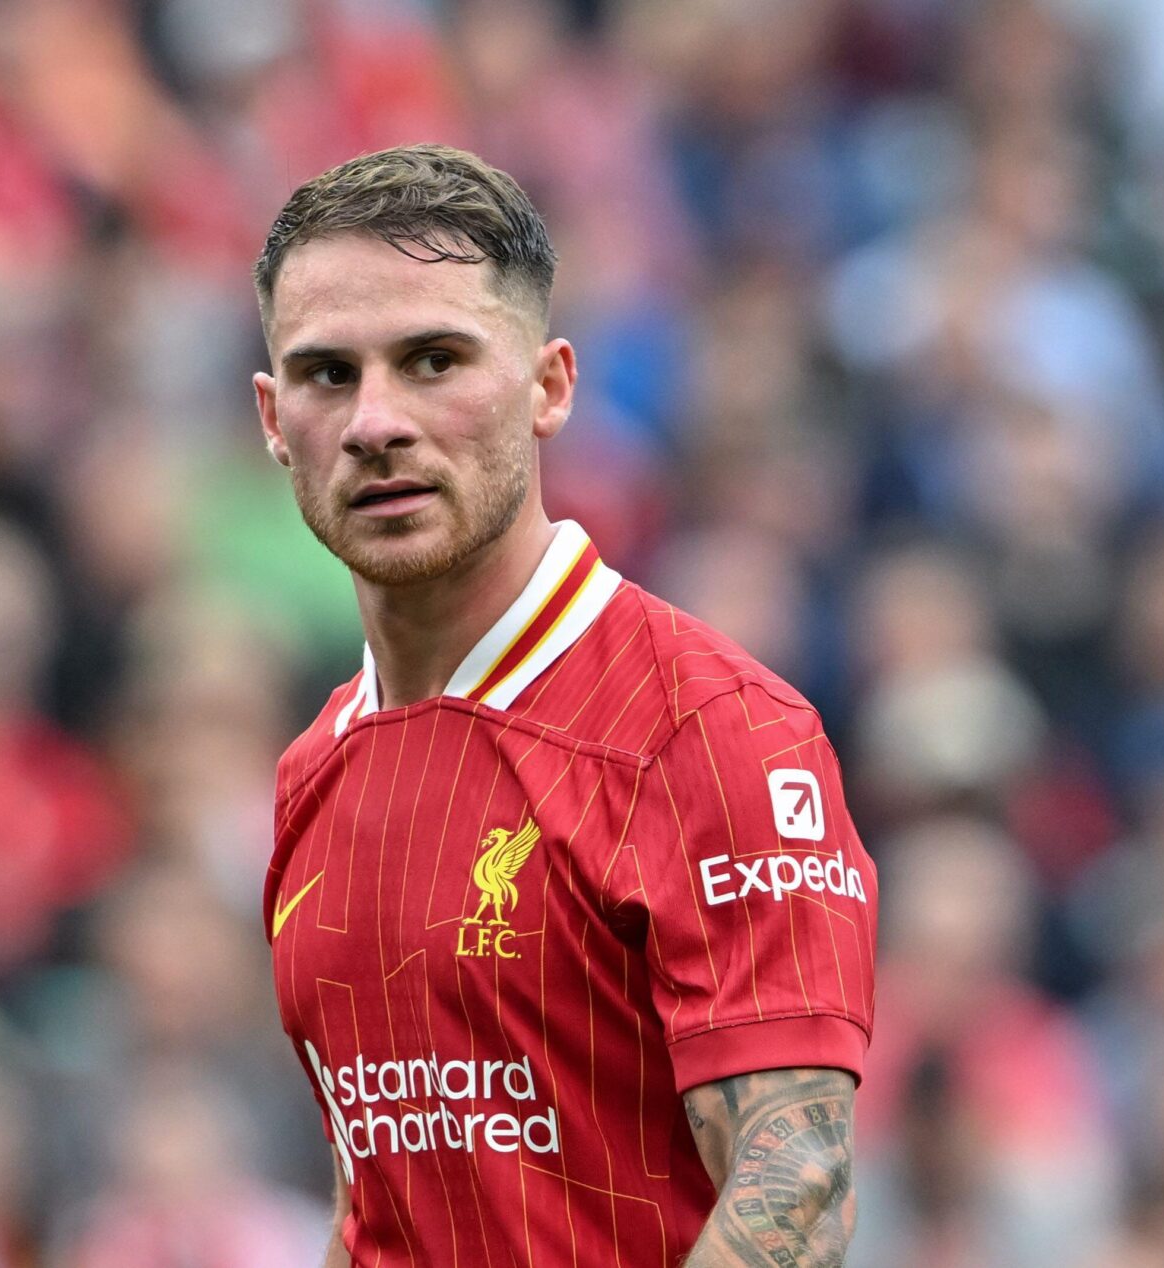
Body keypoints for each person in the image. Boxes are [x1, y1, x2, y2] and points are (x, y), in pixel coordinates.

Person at [252, 145, 878, 1267]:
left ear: (550, 386)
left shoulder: (714, 727)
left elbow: (799, 1183)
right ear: (271, 414)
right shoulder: (313, 772)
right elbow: (383, 1204)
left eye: (434, 359)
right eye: (327, 373)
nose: (375, 421)